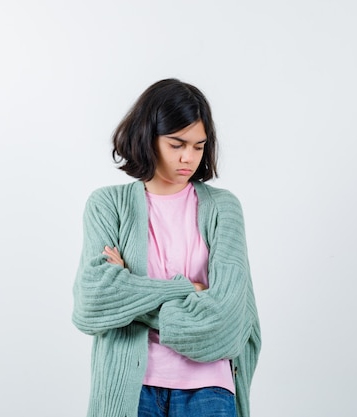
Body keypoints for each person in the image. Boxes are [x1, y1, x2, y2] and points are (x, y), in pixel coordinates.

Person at [72, 78, 261, 417]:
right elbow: (92, 302)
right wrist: (188, 290)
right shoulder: (107, 205)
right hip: (131, 388)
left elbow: (231, 321)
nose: (189, 157)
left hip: (209, 391)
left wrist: (130, 295)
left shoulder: (223, 208)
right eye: (177, 144)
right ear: (148, 137)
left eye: (198, 146)